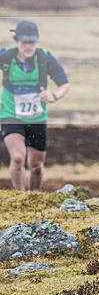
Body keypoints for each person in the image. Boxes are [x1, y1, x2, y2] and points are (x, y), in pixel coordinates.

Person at [1, 20, 70, 191]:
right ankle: (21, 196)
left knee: (36, 166)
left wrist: (54, 95)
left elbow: (64, 83)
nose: (28, 46)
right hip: (11, 115)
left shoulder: (45, 58)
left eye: (31, 42)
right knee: (17, 159)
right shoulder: (6, 56)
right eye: (24, 42)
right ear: (17, 41)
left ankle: (35, 196)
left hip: (37, 118)